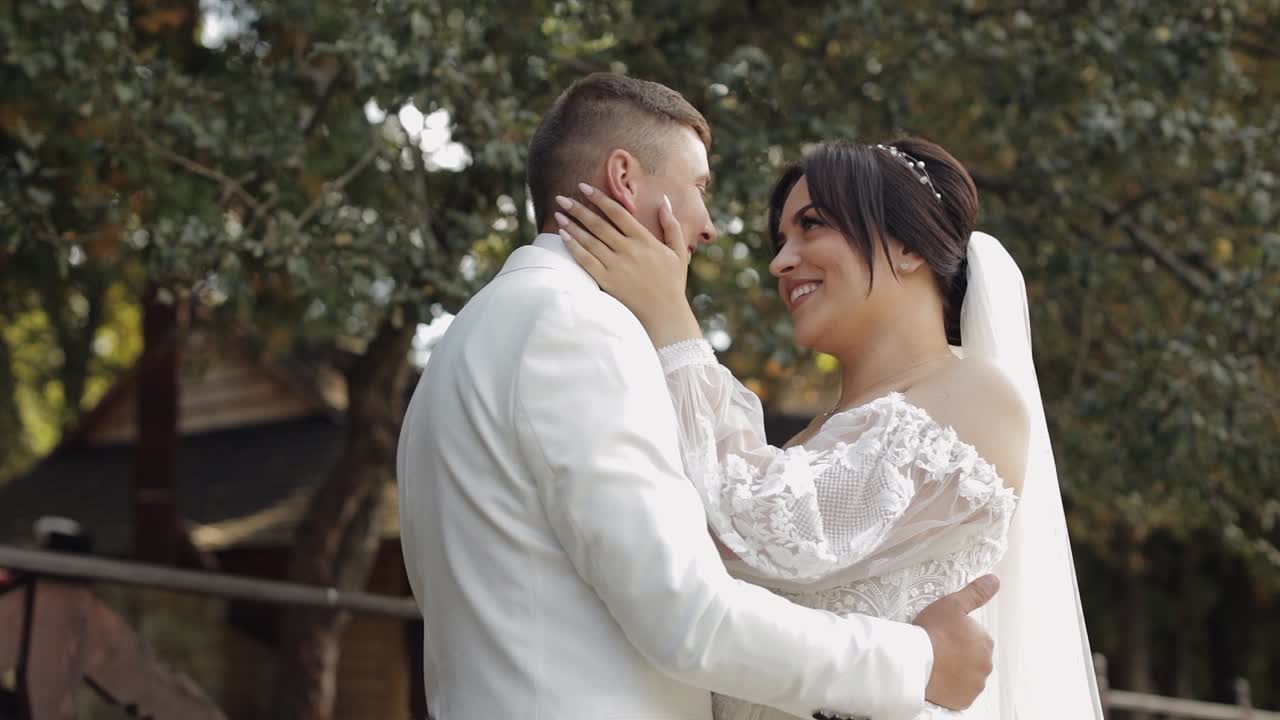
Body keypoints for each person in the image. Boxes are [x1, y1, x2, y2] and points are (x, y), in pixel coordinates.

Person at [397, 75, 999, 720]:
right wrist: (919, 662)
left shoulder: (471, 335)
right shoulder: (573, 330)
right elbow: (686, 614)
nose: (709, 228)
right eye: (700, 189)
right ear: (625, 179)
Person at [556, 137, 1105, 719]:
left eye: (812, 226)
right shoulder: (809, 444)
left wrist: (671, 317)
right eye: (781, 240)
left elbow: (764, 534)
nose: (780, 262)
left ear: (907, 246)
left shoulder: (977, 397)